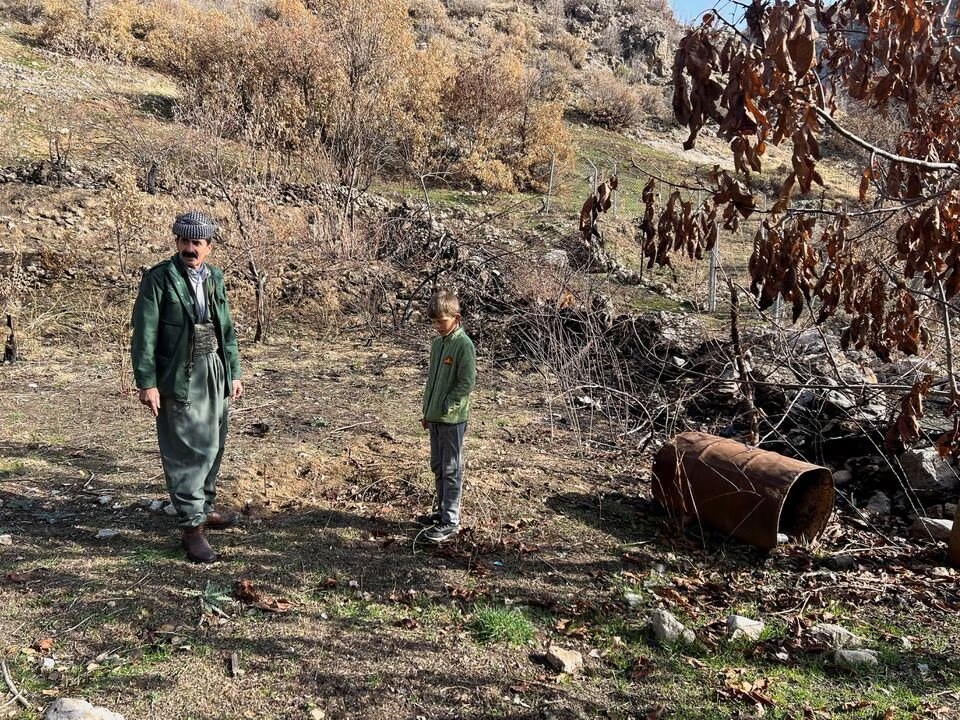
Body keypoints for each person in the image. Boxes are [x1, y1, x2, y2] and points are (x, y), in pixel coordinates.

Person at [131, 210, 243, 562]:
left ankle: (204, 506)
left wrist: (234, 372)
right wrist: (146, 382)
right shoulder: (159, 279)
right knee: (185, 448)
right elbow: (144, 333)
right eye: (184, 241)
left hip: (213, 369)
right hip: (178, 374)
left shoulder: (215, 278)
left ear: (208, 247)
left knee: (213, 441)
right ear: (177, 242)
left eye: (196, 242)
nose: (189, 248)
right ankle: (191, 528)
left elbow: (225, 329)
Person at [418, 289, 477, 543]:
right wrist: (428, 411)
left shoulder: (463, 345)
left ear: (456, 317)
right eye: (434, 322)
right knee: (439, 466)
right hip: (435, 418)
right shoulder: (437, 344)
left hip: (452, 420)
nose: (438, 327)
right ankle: (441, 513)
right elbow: (432, 381)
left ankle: (451, 521)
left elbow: (466, 382)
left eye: (442, 321)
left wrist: (446, 406)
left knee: (452, 468)